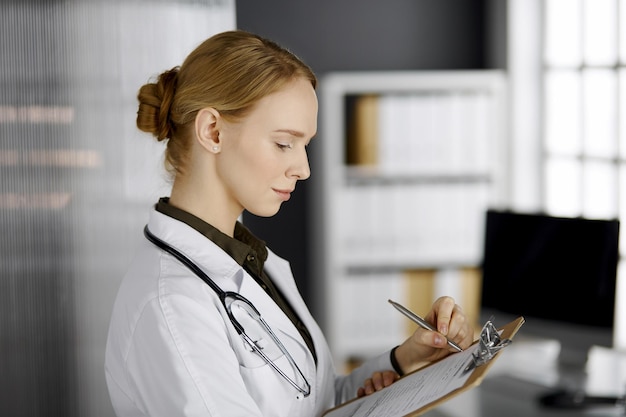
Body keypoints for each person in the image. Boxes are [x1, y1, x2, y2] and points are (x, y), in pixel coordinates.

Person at [104, 29, 474, 417]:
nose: (303, 169)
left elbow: (313, 401)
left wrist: (403, 361)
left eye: (305, 145)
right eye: (284, 143)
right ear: (212, 131)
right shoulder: (173, 307)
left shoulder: (249, 263)